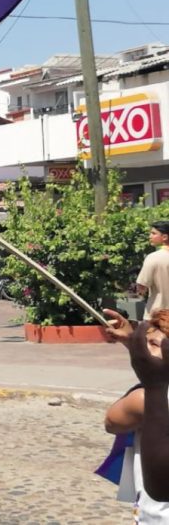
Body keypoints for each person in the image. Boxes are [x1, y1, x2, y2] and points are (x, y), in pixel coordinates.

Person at [103, 308, 169, 522]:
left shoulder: (145, 399)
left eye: (153, 344)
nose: (143, 349)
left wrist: (152, 386)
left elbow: (112, 421)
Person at [136, 221, 169, 322]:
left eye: (154, 233)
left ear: (164, 237)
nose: (150, 236)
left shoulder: (153, 258)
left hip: (157, 315)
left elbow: (141, 287)